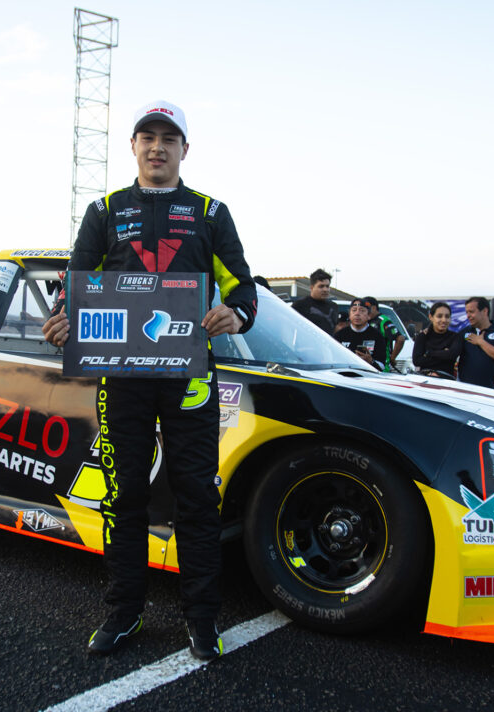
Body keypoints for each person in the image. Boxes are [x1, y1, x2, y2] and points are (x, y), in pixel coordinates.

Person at [41, 100, 257, 661]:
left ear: (185, 148)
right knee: (124, 494)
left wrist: (237, 313)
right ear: (133, 146)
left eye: (169, 138)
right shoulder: (104, 210)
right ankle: (124, 612)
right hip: (122, 377)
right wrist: (63, 320)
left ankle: (202, 619)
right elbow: (76, 284)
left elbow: (242, 286)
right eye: (148, 137)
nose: (158, 147)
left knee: (197, 496)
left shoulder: (211, 212)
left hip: (191, 378)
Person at [457, 296, 494, 389]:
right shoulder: (465, 332)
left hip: (489, 390)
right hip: (464, 389)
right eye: (467, 312)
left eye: (471, 312)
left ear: (485, 311)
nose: (468, 316)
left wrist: (481, 342)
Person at [334, 298, 391, 370]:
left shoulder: (377, 336)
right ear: (349, 314)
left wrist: (371, 361)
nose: (357, 314)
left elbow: (382, 366)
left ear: (369, 316)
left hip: (368, 375)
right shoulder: (340, 335)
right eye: (354, 310)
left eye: (362, 311)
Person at [412, 301, 461, 378]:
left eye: (447, 316)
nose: (444, 320)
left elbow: (452, 355)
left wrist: (428, 353)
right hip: (425, 380)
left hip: (447, 381)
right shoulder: (423, 336)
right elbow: (417, 361)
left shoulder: (455, 337)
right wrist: (444, 354)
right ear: (431, 317)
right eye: (439, 316)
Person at [363, 296, 405, 372]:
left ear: (374, 308)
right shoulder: (363, 321)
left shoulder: (383, 321)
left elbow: (400, 339)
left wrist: (392, 358)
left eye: (366, 308)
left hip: (381, 367)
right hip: (364, 365)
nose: (363, 311)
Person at [291, 269, 338, 333]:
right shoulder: (300, 305)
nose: (325, 290)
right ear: (312, 287)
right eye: (321, 286)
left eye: (327, 286)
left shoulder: (333, 306)